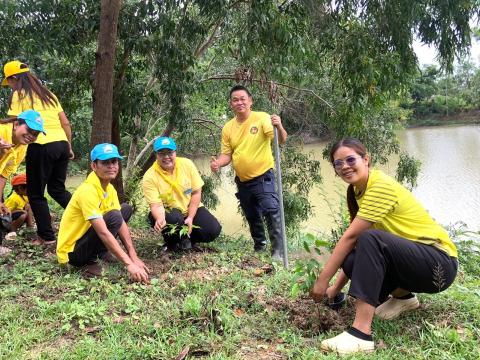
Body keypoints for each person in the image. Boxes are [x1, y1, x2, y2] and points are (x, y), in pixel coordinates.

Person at [310, 138, 458, 355]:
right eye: (338, 163)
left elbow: (351, 238)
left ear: (366, 159)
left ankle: (360, 334)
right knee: (354, 257)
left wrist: (323, 281)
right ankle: (404, 298)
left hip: (439, 264)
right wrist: (336, 288)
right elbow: (354, 247)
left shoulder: (380, 186)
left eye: (350, 159)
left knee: (371, 240)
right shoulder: (357, 193)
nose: (345, 167)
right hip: (416, 263)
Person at [210, 85, 287, 259]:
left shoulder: (262, 118)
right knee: (252, 215)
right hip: (242, 180)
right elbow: (226, 155)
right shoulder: (228, 128)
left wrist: (279, 126)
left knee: (271, 209)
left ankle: (278, 252)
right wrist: (217, 164)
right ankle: (260, 247)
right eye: (235, 100)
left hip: (263, 176)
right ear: (231, 104)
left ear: (250, 101)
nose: (239, 102)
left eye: (243, 99)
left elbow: (280, 141)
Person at [2, 60, 74, 245]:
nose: (9, 86)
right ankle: (89, 218)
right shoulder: (48, 94)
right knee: (57, 189)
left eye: (9, 82)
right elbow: (65, 123)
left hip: (40, 144)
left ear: (14, 78)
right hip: (61, 144)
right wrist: (69, 147)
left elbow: (14, 122)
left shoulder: (19, 95)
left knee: (35, 193)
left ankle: (46, 237)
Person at [56, 143, 149, 283]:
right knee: (114, 216)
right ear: (94, 166)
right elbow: (103, 231)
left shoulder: (109, 188)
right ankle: (87, 263)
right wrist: (129, 264)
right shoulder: (88, 190)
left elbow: (120, 222)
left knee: (124, 210)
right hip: (73, 252)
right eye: (105, 162)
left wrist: (132, 255)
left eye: (114, 161)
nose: (111, 166)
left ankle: (100, 253)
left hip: (88, 238)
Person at [142, 136, 221, 252]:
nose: (166, 157)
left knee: (212, 229)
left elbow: (196, 192)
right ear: (156, 155)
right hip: (169, 212)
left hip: (189, 208)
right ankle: (172, 243)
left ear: (175, 152)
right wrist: (159, 219)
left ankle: (188, 239)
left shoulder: (187, 164)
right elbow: (156, 205)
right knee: (174, 218)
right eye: (161, 153)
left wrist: (190, 217)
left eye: (170, 152)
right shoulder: (149, 176)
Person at [0, 110, 45, 255]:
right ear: (16, 124)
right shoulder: (2, 131)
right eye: (29, 130)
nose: (31, 136)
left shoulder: (21, 147)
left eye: (35, 134)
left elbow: (3, 175)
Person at [4, 173, 34, 237]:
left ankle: (30, 227)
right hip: (6, 220)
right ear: (20, 188)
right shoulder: (13, 198)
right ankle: (12, 231)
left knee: (28, 206)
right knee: (23, 215)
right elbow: (4, 213)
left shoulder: (25, 196)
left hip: (17, 217)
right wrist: (19, 211)